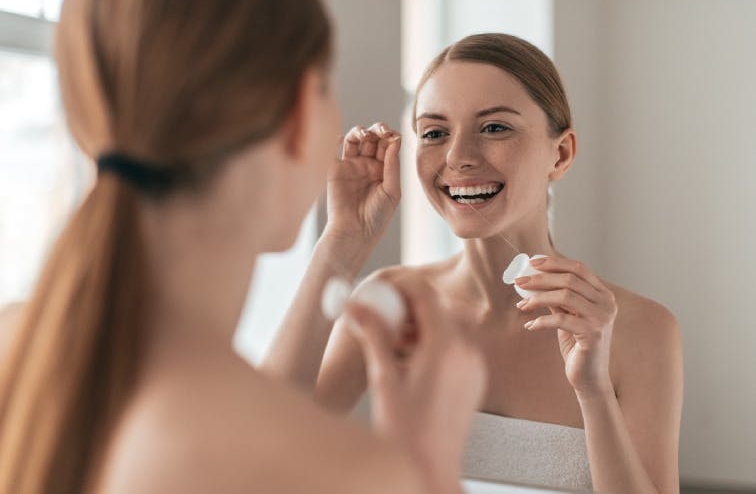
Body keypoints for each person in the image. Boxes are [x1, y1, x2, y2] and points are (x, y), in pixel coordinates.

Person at [0, 0, 487, 493]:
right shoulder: (355, 474)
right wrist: (429, 469)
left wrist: (342, 247)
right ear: (301, 112)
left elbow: (246, 415)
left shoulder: (21, 344)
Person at [264, 33, 684, 493]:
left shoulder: (640, 329)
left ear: (560, 154)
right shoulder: (391, 305)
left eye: (494, 127)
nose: (459, 157)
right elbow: (255, 450)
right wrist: (342, 242)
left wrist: (593, 390)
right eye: (435, 133)